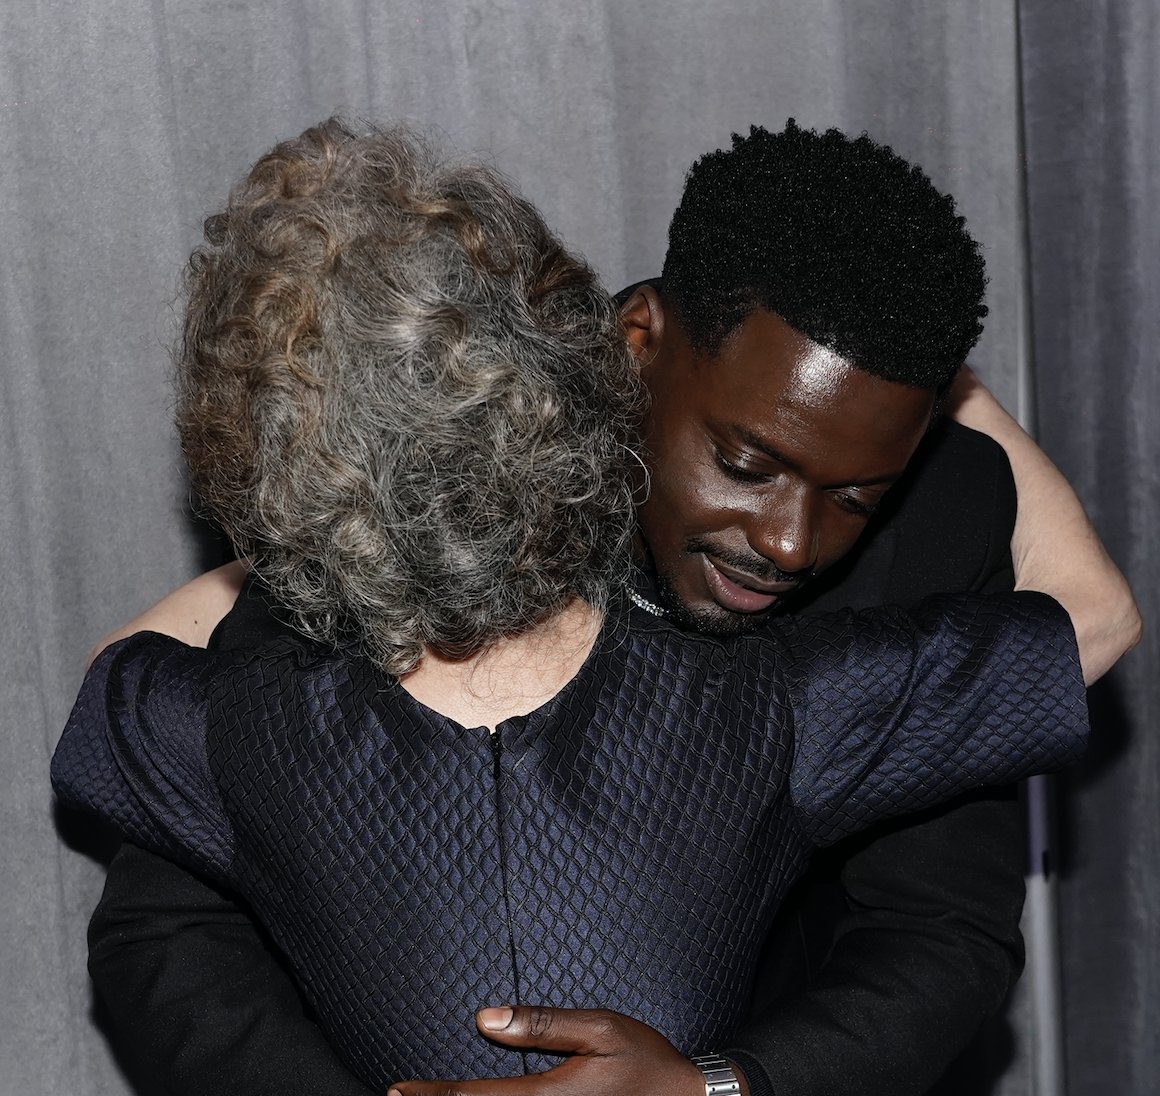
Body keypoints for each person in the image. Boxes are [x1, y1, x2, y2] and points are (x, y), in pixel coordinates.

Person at [76, 121, 1140, 1096]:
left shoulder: (938, 521)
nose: (789, 542)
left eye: (857, 495)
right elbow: (170, 923)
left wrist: (719, 1088)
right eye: (743, 464)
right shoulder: (451, 451)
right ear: (634, 345)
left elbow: (941, 932)